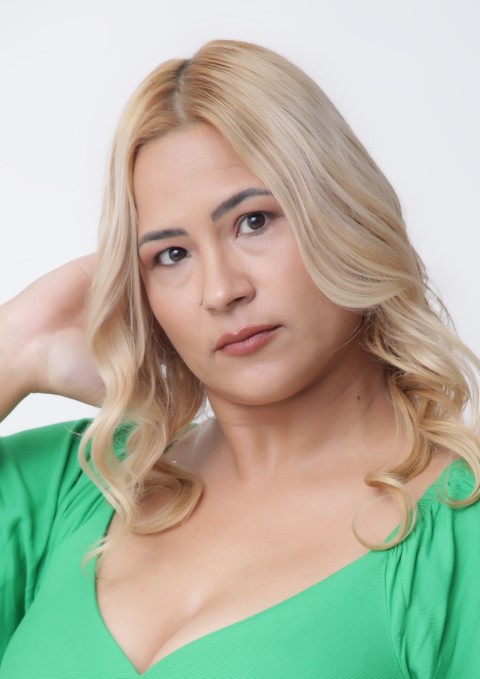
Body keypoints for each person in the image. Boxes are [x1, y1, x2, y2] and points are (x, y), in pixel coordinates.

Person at [0, 39, 479, 678]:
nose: (221, 291)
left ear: (342, 214)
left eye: (254, 221)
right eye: (172, 255)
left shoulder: (459, 532)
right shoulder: (83, 481)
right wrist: (16, 344)